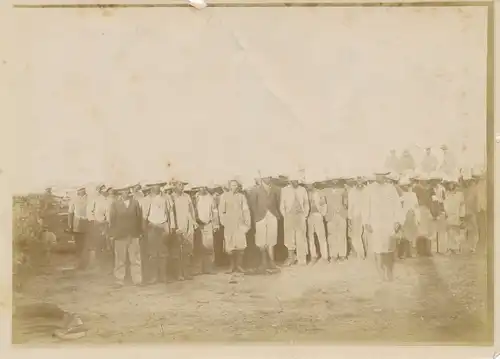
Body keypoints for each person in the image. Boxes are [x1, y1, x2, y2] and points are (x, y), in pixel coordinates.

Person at [363, 171, 403, 281]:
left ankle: (389, 271)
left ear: (385, 175)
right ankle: (380, 273)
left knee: (389, 248)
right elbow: (366, 206)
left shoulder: (391, 188)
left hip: (388, 222)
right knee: (377, 249)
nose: (380, 177)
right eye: (378, 174)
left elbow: (397, 205)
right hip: (375, 223)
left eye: (382, 174)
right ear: (375, 175)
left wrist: (397, 221)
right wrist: (366, 222)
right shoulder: (369, 189)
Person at [108, 186, 144, 287]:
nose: (126, 193)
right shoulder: (115, 204)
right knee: (120, 259)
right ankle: (119, 280)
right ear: (120, 192)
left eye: (127, 191)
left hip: (133, 234)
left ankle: (137, 280)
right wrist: (113, 234)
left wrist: (139, 232)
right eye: (123, 191)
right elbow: (112, 220)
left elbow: (139, 218)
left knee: (135, 258)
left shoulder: (135, 203)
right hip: (120, 235)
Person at [247, 174, 281, 273]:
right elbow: (252, 205)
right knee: (261, 240)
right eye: (266, 177)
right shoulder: (255, 190)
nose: (268, 179)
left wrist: (275, 213)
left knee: (272, 239)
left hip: (273, 216)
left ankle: (272, 262)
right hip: (260, 217)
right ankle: (263, 262)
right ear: (262, 178)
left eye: (269, 177)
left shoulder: (275, 189)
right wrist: (257, 216)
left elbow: (278, 202)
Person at [143, 183, 175, 284]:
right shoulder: (147, 199)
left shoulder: (166, 198)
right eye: (154, 185)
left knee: (163, 252)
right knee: (153, 253)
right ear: (151, 187)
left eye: (158, 185)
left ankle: (163, 276)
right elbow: (144, 216)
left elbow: (170, 213)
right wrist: (144, 229)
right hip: (152, 226)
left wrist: (171, 226)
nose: (156, 187)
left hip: (163, 225)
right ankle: (154, 276)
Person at [218, 179, 251, 273]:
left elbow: (246, 210)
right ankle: (232, 266)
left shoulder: (242, 197)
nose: (234, 187)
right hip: (229, 224)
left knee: (240, 246)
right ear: (229, 186)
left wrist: (247, 223)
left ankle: (239, 265)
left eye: (236, 185)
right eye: (232, 185)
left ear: (238, 187)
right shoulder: (224, 196)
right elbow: (221, 211)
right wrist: (224, 222)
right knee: (230, 245)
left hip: (240, 224)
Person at [170, 180, 198, 281]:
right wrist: (175, 227)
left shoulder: (187, 197)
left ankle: (187, 272)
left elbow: (191, 210)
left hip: (188, 225)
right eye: (179, 185)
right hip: (178, 226)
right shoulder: (171, 197)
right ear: (174, 186)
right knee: (177, 251)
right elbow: (171, 213)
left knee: (188, 250)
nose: (181, 187)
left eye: (182, 185)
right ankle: (178, 274)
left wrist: (193, 221)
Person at [280, 175, 310, 266]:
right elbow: (282, 205)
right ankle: (291, 258)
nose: (295, 182)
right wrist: (285, 215)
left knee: (301, 237)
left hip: (300, 216)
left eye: (296, 180)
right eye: (293, 181)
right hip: (289, 216)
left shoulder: (302, 190)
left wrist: (305, 215)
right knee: (289, 238)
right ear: (290, 181)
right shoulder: (284, 190)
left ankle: (302, 259)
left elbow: (306, 203)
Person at [193, 184, 220, 274]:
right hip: (198, 225)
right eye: (200, 187)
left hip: (208, 224)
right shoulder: (195, 197)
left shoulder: (211, 198)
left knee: (209, 246)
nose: (202, 189)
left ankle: (209, 267)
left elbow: (215, 211)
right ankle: (198, 268)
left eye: (204, 187)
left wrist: (215, 224)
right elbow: (192, 210)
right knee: (198, 246)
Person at [322, 178, 348, 262]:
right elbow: (321, 203)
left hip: (341, 215)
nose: (334, 181)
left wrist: (344, 207)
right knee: (331, 236)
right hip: (330, 216)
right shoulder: (325, 191)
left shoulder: (343, 190)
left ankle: (342, 254)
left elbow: (347, 202)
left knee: (342, 235)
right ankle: (333, 255)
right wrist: (325, 212)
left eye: (336, 179)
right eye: (332, 179)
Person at [67, 186, 92, 270]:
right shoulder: (74, 200)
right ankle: (79, 264)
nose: (81, 191)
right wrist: (70, 225)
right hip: (77, 225)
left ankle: (86, 264)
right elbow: (70, 213)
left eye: (82, 190)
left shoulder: (89, 199)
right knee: (79, 245)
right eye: (79, 190)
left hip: (88, 224)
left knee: (87, 245)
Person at [89, 184, 112, 269]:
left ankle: (107, 262)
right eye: (104, 191)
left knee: (108, 242)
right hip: (98, 223)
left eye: (107, 191)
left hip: (109, 224)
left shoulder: (110, 200)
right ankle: (98, 262)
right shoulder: (95, 200)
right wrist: (95, 221)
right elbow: (91, 212)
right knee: (98, 243)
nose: (106, 192)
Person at [398, 176, 420, 258]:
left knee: (411, 235)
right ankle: (401, 253)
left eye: (409, 185)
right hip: (404, 216)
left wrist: (417, 216)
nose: (408, 187)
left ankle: (409, 253)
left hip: (412, 215)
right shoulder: (402, 196)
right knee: (403, 235)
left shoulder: (413, 195)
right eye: (406, 185)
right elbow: (400, 206)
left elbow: (416, 206)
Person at [306, 181, 327, 263]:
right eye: (307, 184)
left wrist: (322, 214)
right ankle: (313, 256)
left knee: (321, 237)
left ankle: (325, 257)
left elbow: (324, 205)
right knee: (310, 238)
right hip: (308, 217)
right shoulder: (305, 193)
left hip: (318, 215)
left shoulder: (319, 192)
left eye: (309, 183)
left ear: (313, 184)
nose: (308, 185)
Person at [443, 178, 465, 254]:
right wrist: (445, 212)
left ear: (455, 185)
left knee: (456, 232)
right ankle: (449, 248)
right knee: (449, 232)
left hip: (456, 215)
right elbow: (444, 204)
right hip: (448, 215)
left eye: (452, 184)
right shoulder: (446, 194)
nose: (450, 186)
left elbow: (462, 205)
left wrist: (462, 215)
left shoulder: (460, 194)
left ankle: (456, 248)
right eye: (449, 184)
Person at [347, 177, 368, 260]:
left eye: (361, 179)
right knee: (355, 236)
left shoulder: (367, 190)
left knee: (366, 235)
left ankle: (367, 253)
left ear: (363, 181)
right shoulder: (352, 191)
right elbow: (350, 205)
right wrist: (350, 217)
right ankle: (361, 254)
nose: (359, 181)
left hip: (366, 215)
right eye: (358, 179)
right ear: (356, 181)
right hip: (356, 215)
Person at [428, 172, 447, 254]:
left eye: (436, 180)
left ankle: (441, 249)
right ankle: (433, 249)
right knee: (433, 231)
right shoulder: (430, 189)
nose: (434, 182)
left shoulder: (442, 189)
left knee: (441, 231)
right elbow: (431, 201)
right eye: (433, 180)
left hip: (441, 209)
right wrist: (434, 212)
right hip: (432, 210)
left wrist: (444, 211)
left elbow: (444, 200)